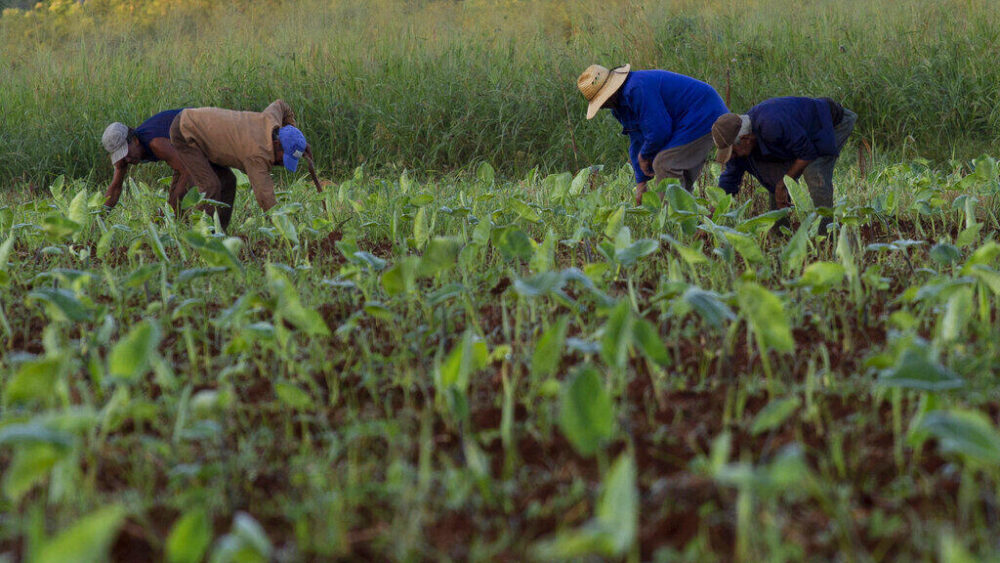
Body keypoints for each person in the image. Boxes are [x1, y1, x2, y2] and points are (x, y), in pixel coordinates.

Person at [577, 64, 729, 204]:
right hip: (688, 119)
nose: (602, 106)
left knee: (664, 164)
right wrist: (641, 182)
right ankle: (690, 224)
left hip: (704, 112)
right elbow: (637, 140)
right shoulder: (619, 108)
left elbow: (659, 130)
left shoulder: (637, 88)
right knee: (677, 179)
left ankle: (673, 223)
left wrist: (645, 155)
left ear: (610, 92)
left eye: (602, 101)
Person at [168, 99, 319, 231]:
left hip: (207, 136)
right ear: (277, 143)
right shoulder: (257, 154)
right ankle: (194, 233)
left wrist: (293, 133)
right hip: (186, 131)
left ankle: (220, 233)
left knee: (228, 182)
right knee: (210, 186)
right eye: (283, 157)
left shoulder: (271, 120)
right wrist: (285, 230)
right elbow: (265, 198)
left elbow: (281, 105)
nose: (280, 163)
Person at [712, 97, 857, 233]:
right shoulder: (743, 140)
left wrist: (782, 184)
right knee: (773, 177)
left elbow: (807, 154)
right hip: (801, 136)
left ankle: (826, 235)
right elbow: (729, 182)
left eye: (733, 152)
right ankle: (780, 233)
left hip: (831, 124)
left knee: (814, 171)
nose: (732, 157)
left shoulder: (771, 125)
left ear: (746, 139)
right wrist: (711, 222)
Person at [101, 109, 191, 212]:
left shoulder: (156, 143)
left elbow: (188, 170)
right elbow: (115, 188)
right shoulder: (125, 158)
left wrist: (169, 210)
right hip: (185, 154)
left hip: (201, 132)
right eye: (120, 156)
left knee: (204, 191)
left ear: (135, 140)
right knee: (176, 203)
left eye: (126, 153)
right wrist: (100, 218)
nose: (127, 159)